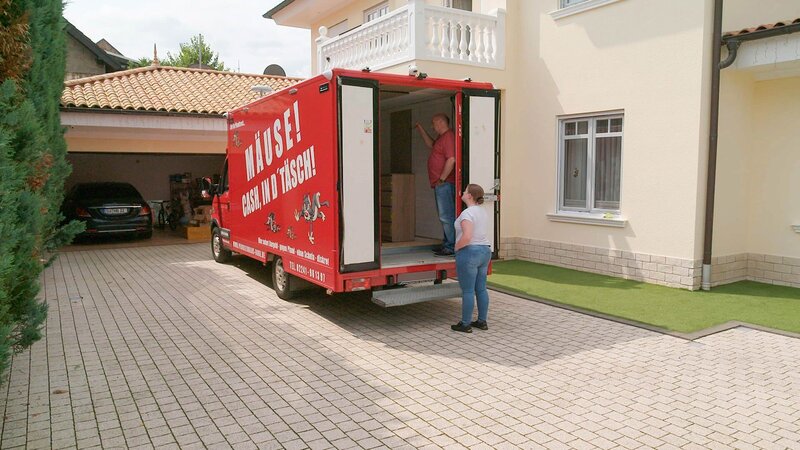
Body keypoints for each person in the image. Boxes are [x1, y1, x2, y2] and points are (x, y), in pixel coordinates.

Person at [451, 184, 492, 333]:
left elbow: (467, 236)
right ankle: (482, 321)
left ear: (469, 196)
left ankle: (465, 324)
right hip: (485, 251)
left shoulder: (467, 213)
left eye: (465, 190)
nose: (462, 192)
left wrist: (456, 247)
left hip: (469, 252)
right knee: (481, 288)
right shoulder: (482, 212)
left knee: (468, 291)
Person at [415, 113, 456, 257]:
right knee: (444, 216)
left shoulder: (449, 137)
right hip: (440, 184)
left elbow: (451, 159)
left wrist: (442, 179)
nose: (432, 126)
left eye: (433, 123)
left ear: (440, 122)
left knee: (447, 216)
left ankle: (451, 246)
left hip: (445, 184)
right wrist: (420, 129)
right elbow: (430, 144)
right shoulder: (441, 138)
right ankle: (447, 244)